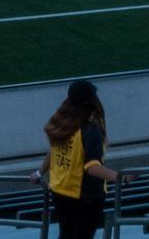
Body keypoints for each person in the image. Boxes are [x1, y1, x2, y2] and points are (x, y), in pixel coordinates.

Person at [35, 80, 128, 239]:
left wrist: (39, 173)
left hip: (59, 191)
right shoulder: (91, 130)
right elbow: (92, 168)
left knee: (66, 234)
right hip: (84, 196)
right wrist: (122, 177)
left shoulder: (62, 124)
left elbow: (53, 152)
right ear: (90, 102)